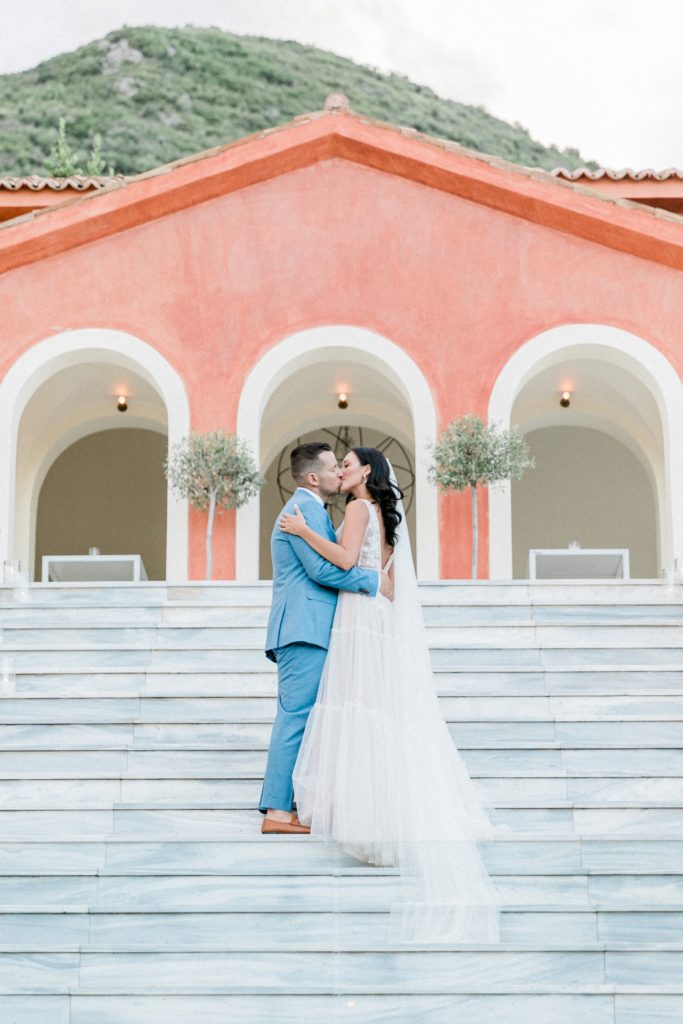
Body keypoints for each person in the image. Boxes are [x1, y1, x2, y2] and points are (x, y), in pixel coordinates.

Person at [280, 446, 501, 943]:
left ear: (366, 473)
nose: (341, 471)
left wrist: (305, 531)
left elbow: (339, 557)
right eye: (337, 466)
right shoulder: (382, 513)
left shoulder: (358, 507)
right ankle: (378, 808)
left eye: (348, 465)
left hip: (359, 613)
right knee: (373, 710)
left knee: (357, 705)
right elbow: (393, 583)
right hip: (375, 610)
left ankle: (365, 816)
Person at [259, 441, 393, 835]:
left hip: (311, 627)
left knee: (301, 717)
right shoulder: (300, 512)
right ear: (314, 477)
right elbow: (322, 571)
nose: (340, 472)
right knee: (295, 718)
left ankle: (290, 805)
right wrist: (374, 581)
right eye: (335, 467)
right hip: (303, 629)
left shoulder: (314, 512)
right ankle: (278, 812)